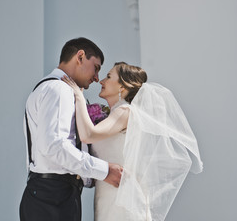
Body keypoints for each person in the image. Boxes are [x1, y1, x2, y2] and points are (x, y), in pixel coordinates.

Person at [62, 62, 203, 221]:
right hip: (108, 195)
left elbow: (88, 134)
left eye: (108, 77)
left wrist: (78, 97)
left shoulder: (124, 111)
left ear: (122, 87)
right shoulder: (114, 114)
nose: (101, 81)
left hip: (121, 198)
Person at [19, 37, 123, 221]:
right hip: (51, 198)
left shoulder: (57, 89)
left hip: (54, 195)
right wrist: (103, 170)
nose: (97, 78)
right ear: (80, 56)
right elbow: (54, 146)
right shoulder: (58, 90)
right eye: (96, 68)